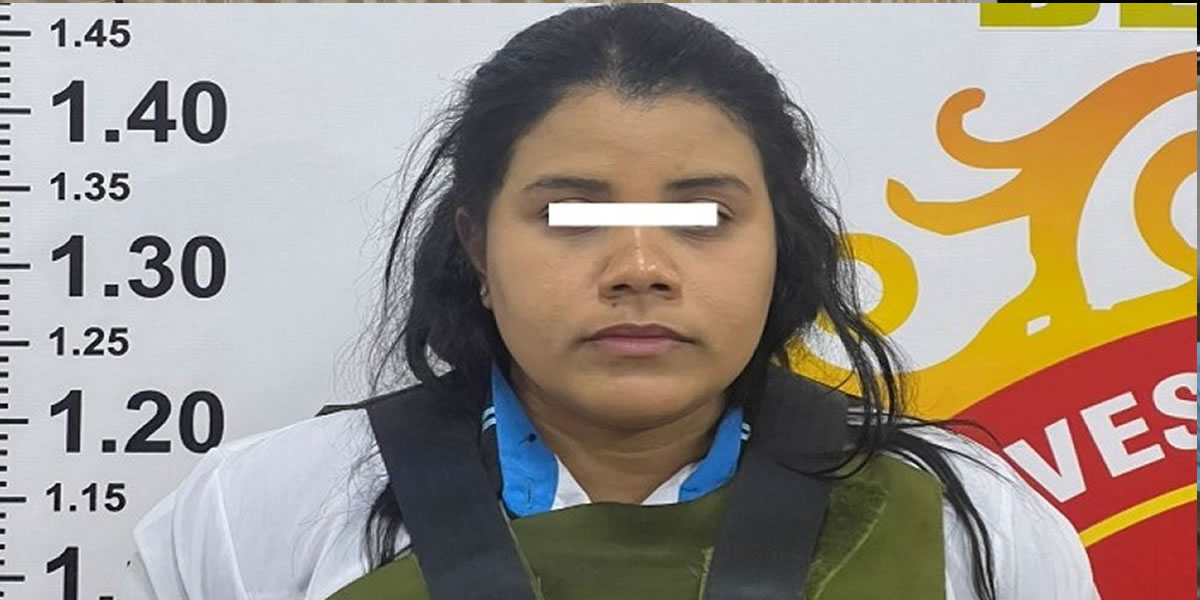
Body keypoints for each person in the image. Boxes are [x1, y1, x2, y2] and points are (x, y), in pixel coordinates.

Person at [116, 4, 1100, 599]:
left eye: (704, 216)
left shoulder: (972, 520)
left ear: (779, 244)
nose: (639, 266)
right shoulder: (259, 515)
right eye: (571, 215)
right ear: (477, 246)